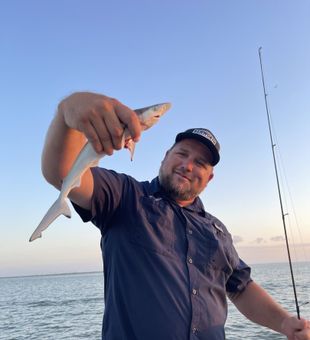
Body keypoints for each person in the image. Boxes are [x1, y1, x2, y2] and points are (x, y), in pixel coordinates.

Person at [42, 91, 310, 340]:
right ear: (165, 157)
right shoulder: (124, 197)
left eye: (201, 163)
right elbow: (62, 172)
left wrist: (285, 323)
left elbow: (241, 287)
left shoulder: (217, 230)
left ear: (209, 177)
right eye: (182, 154)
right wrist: (68, 113)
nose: (188, 165)